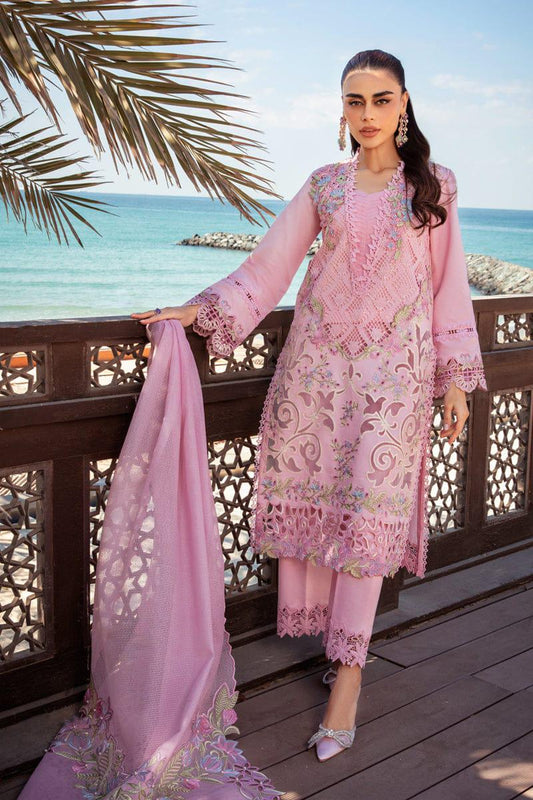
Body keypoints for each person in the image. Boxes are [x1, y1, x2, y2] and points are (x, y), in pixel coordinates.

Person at [131, 48, 488, 763]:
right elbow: (270, 265)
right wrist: (199, 312)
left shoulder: (434, 186)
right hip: (317, 380)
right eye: (353, 102)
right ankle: (336, 651)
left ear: (405, 103)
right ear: (340, 108)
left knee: (370, 521)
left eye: (379, 100)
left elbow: (450, 287)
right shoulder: (323, 185)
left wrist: (454, 377)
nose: (366, 115)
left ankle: (347, 683)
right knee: (329, 514)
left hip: (394, 386)